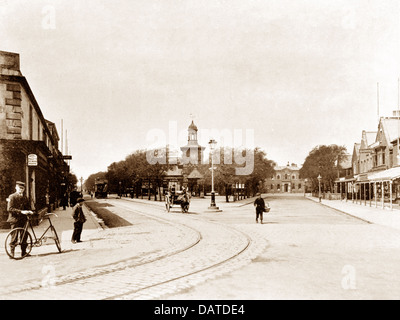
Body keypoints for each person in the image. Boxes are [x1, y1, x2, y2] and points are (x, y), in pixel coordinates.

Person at [7, 181, 34, 257]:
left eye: (22, 188)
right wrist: (21, 211)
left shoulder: (25, 197)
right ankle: (12, 253)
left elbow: (27, 207)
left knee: (24, 236)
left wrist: (29, 211)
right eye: (19, 188)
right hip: (14, 219)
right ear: (16, 188)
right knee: (14, 237)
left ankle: (24, 252)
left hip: (23, 220)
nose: (21, 190)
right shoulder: (11, 197)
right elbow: (10, 209)